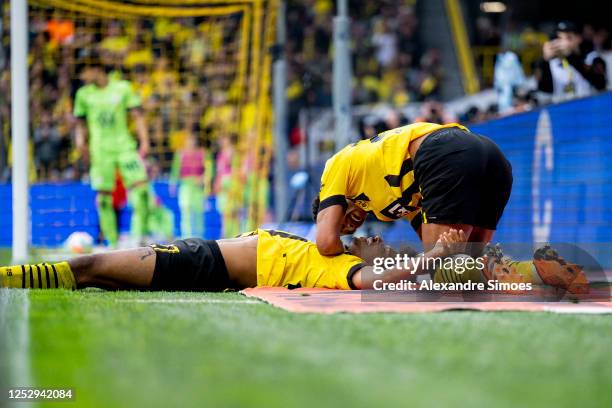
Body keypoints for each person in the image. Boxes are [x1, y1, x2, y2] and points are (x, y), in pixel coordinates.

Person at [1, 225, 586, 294]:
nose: (375, 238)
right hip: (205, 260)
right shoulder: (333, 251)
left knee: (90, 268)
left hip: (204, 264)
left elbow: (386, 273)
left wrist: (437, 257)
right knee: (91, 271)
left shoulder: (341, 268)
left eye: (377, 238)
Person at [313, 122, 513, 257]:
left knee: (445, 272)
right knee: (475, 261)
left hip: (445, 149)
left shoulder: (334, 168)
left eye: (340, 221)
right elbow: (428, 238)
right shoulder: (382, 209)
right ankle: (537, 270)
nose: (350, 226)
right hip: (487, 155)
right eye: (349, 230)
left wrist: (350, 261)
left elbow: (326, 243)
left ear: (330, 205)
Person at [73, 53, 151, 247]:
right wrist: (80, 143)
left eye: (84, 71)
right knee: (104, 200)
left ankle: (137, 239)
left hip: (124, 147)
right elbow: (80, 124)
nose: (82, 77)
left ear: (95, 68)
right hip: (100, 152)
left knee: (141, 191)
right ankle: (113, 246)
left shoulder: (122, 88)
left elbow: (137, 116)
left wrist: (145, 141)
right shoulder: (83, 94)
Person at [537, 21, 607, 102]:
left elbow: (600, 84)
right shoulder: (552, 63)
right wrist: (545, 60)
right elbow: (545, 91)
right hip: (565, 111)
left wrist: (570, 55)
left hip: (591, 108)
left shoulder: (591, 57)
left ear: (579, 38)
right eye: (559, 38)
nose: (563, 42)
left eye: (568, 38)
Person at [169, 133, 212, 238]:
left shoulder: (204, 153)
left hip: (198, 188)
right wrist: (172, 185)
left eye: (192, 139)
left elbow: (209, 170)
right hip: (185, 186)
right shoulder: (180, 153)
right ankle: (186, 238)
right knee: (185, 210)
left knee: (198, 213)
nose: (190, 142)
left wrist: (204, 179)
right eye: (188, 139)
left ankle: (199, 238)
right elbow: (175, 170)